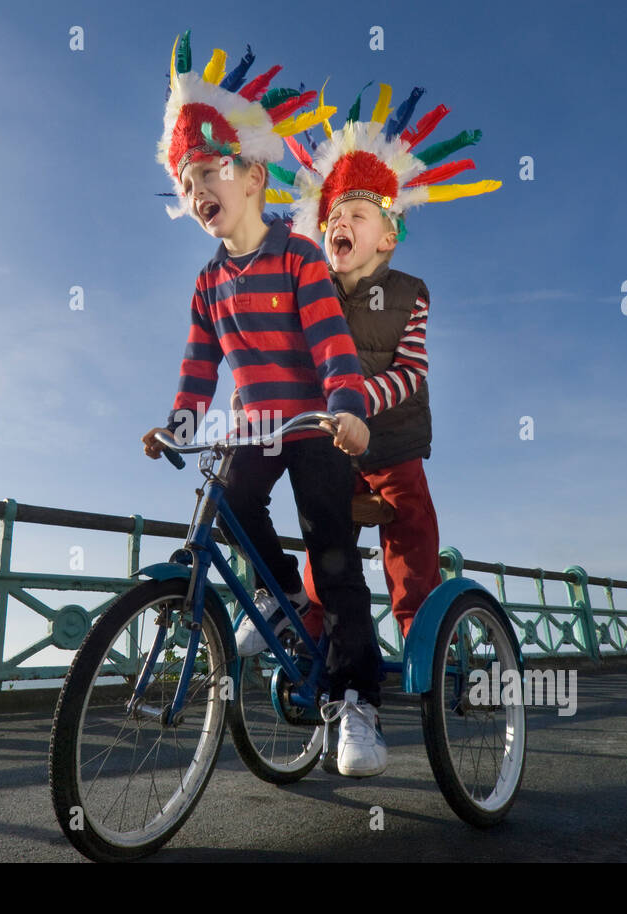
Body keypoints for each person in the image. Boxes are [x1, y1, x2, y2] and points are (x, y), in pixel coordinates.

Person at [140, 32, 387, 777]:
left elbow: (332, 344)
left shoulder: (298, 256)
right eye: (186, 182)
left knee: (334, 553)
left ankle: (358, 708)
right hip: (253, 426)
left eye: (210, 170)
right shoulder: (208, 283)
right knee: (232, 497)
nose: (197, 189)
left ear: (252, 177)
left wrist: (345, 408)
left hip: (313, 424)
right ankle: (278, 598)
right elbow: (199, 366)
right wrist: (179, 425)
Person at [273, 81, 503, 643]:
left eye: (356, 212)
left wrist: (356, 403)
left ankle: (421, 632)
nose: (340, 224)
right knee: (322, 539)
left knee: (411, 527)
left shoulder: (410, 292)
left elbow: (411, 371)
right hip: (331, 443)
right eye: (332, 217)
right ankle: (319, 636)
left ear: (388, 236)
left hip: (393, 439)